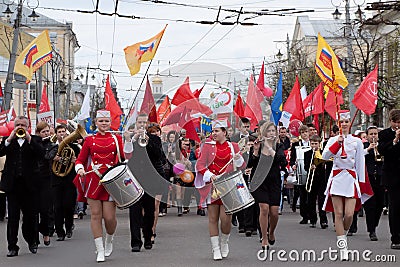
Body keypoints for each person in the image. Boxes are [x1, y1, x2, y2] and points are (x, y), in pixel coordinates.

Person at [75, 110, 125, 262]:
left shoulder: (116, 139)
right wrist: (80, 169)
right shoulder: (89, 140)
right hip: (94, 180)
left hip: (110, 180)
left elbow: (124, 158)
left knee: (109, 218)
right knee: (96, 215)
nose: (104, 124)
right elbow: (80, 160)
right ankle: (100, 249)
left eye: (106, 121)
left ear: (110, 123)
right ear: (96, 122)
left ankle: (109, 239)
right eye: (101, 121)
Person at [195, 119, 246, 260]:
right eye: (213, 131)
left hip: (229, 186)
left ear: (225, 132)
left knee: (226, 219)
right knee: (213, 218)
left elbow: (242, 166)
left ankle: (224, 242)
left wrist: (238, 159)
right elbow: (200, 165)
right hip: (213, 187)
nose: (214, 134)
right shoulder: (207, 146)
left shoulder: (233, 146)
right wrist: (210, 175)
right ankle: (215, 248)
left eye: (217, 131)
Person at [321, 110, 366, 260]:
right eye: (342, 122)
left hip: (351, 179)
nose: (344, 124)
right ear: (338, 124)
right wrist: (337, 143)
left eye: (347, 122)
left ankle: (343, 233)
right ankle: (343, 246)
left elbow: (360, 163)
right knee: (338, 214)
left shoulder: (357, 141)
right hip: (337, 177)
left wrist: (361, 183)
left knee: (349, 214)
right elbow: (325, 156)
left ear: (350, 123)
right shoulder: (333, 140)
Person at [0, 116, 44, 257]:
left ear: (28, 126)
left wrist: (29, 139)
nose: (20, 127)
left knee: (30, 216)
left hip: (30, 185)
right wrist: (8, 140)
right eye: (18, 124)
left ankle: (32, 241)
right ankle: (12, 246)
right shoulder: (8, 139)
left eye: (23, 125)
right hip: (13, 184)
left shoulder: (35, 140)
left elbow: (41, 154)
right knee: (12, 217)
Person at [123, 113, 165, 253]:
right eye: (139, 122)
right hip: (134, 179)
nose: (142, 125)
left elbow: (159, 156)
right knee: (134, 211)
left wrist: (149, 141)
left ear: (147, 124)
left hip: (150, 179)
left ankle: (148, 237)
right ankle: (135, 242)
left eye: (144, 122)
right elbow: (126, 155)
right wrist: (131, 139)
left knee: (149, 210)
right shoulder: (131, 139)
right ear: (136, 123)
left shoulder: (154, 139)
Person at [247, 122, 287, 252]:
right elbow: (250, 164)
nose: (271, 133)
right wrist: (256, 151)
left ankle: (271, 232)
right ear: (263, 133)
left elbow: (282, 161)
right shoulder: (257, 145)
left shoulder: (278, 146)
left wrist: (271, 149)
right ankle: (264, 238)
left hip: (274, 181)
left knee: (274, 212)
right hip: (260, 181)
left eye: (272, 131)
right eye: (268, 131)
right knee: (263, 208)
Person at [51, 124, 80, 242]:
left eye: (63, 131)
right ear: (56, 134)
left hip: (70, 180)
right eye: (59, 132)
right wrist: (54, 158)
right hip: (56, 180)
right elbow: (46, 157)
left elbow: (81, 160)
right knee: (57, 207)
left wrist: (75, 160)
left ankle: (68, 227)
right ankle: (59, 232)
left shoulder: (74, 147)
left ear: (67, 133)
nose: (61, 134)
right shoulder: (52, 147)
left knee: (69, 205)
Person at [377, 109, 400, 250]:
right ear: (391, 121)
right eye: (396, 122)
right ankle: (395, 238)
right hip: (392, 176)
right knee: (395, 207)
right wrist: (395, 140)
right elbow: (382, 150)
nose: (398, 125)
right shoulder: (384, 134)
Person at [363, 126, 384, 241]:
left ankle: (374, 224)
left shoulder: (382, 146)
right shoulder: (364, 147)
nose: (373, 136)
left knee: (380, 204)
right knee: (370, 206)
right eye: (371, 134)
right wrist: (369, 149)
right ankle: (371, 230)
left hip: (380, 179)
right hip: (369, 178)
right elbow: (358, 158)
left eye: (375, 134)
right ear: (367, 136)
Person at [34, 122, 54, 247]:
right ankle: (35, 237)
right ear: (38, 133)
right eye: (43, 132)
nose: (46, 133)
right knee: (34, 210)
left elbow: (47, 156)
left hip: (46, 179)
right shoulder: (33, 143)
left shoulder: (52, 145)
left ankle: (46, 232)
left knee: (45, 209)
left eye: (47, 131)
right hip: (33, 179)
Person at [304, 134, 328, 229]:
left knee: (322, 200)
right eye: (312, 143)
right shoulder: (307, 154)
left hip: (321, 179)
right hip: (311, 180)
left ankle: (323, 220)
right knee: (311, 200)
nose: (314, 145)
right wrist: (310, 167)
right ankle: (313, 220)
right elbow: (306, 167)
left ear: (319, 143)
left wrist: (319, 165)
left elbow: (326, 164)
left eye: (316, 144)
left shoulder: (323, 153)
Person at [289, 125, 311, 223]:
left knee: (311, 195)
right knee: (302, 194)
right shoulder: (296, 144)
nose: (305, 134)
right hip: (301, 171)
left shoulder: (313, 143)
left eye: (306, 132)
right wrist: (293, 165)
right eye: (302, 132)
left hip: (311, 171)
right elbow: (292, 158)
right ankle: (304, 216)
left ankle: (311, 214)